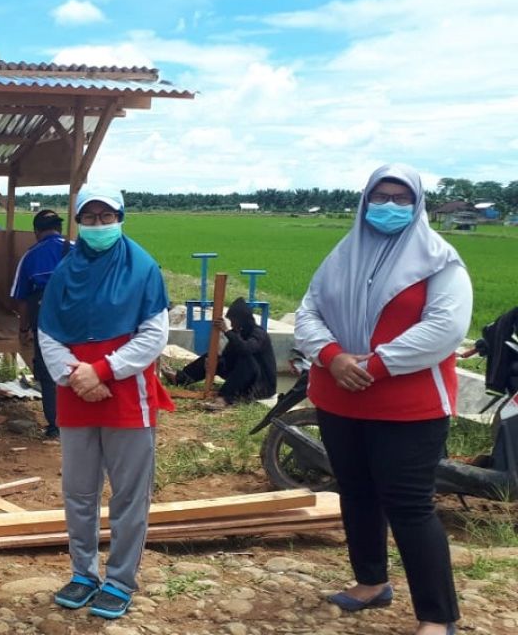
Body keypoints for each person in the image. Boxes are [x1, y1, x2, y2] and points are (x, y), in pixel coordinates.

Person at [294, 164, 470, 635]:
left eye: (400, 198)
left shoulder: (440, 261)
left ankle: (437, 616)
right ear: (364, 201)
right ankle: (371, 582)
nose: (388, 206)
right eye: (380, 196)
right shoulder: (342, 255)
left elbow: (444, 329)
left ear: (417, 206)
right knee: (356, 493)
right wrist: (332, 357)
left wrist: (373, 364)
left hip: (407, 406)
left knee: (410, 506)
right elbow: (308, 311)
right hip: (340, 399)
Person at [38, 191, 172, 621]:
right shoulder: (64, 273)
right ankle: (84, 572)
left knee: (130, 495)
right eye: (89, 217)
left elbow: (154, 335)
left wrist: (103, 371)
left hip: (126, 395)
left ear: (121, 217)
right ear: (77, 222)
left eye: (106, 215)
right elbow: (47, 333)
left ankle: (119, 579)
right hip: (76, 393)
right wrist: (77, 375)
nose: (98, 224)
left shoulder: (143, 269)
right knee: (78, 492)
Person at [10, 209, 70, 438]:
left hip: (45, 321)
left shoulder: (31, 256)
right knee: (78, 366)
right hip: (76, 321)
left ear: (36, 232)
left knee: (47, 371)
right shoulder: (77, 250)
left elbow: (22, 300)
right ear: (60, 228)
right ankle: (82, 422)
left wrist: (23, 329)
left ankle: (55, 426)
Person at [169, 297, 277, 406]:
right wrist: (212, 365)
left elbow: (246, 349)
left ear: (242, 320)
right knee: (212, 357)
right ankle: (181, 378)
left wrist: (227, 331)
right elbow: (227, 358)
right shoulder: (238, 333)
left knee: (246, 360)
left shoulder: (258, 333)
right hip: (243, 377)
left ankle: (225, 398)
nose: (233, 324)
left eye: (234, 321)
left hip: (261, 386)